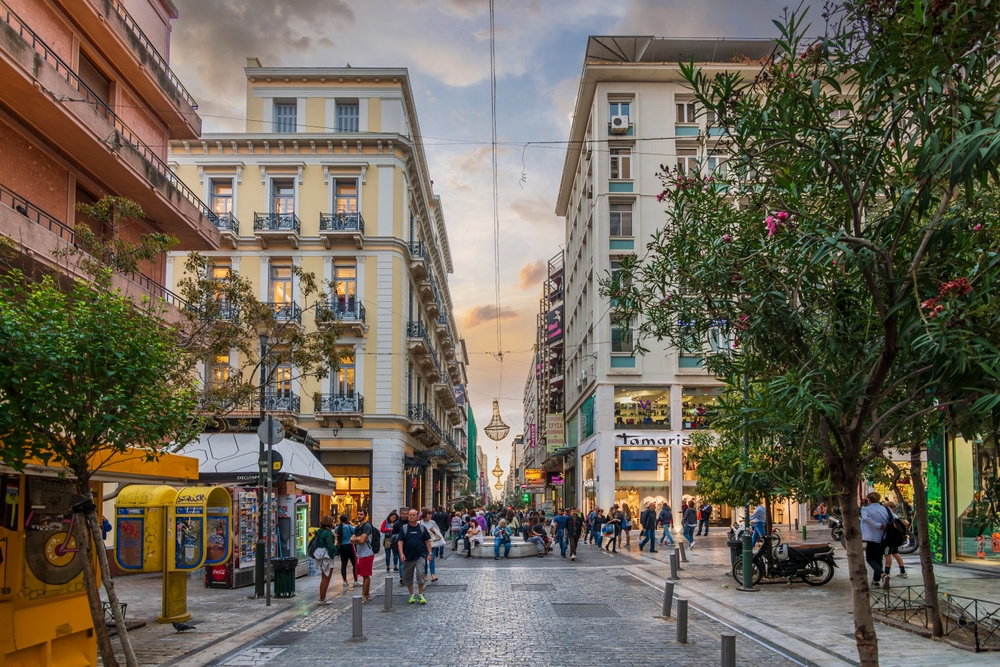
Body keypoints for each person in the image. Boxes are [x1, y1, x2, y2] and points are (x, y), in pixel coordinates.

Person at [396, 509, 432, 604]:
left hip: (420, 555)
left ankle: (420, 594)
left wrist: (430, 553)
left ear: (417, 517)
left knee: (420, 574)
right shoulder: (404, 529)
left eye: (413, 515)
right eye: (410, 515)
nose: (411, 516)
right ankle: (412, 594)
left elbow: (427, 541)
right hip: (408, 556)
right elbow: (400, 541)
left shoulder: (422, 528)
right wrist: (401, 553)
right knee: (407, 576)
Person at [861, 492, 892, 588]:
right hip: (884, 538)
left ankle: (882, 575)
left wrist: (877, 525)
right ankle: (875, 580)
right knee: (878, 559)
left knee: (870, 558)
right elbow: (895, 518)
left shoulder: (865, 509)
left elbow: (865, 518)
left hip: (872, 538)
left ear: (869, 500)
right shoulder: (886, 509)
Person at [351, 510, 375, 603]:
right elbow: (353, 540)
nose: (359, 516)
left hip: (367, 553)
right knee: (363, 574)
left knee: (365, 575)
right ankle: (367, 594)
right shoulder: (358, 527)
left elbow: (362, 540)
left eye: (361, 514)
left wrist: (356, 540)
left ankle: (364, 595)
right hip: (360, 554)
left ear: (365, 515)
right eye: (358, 514)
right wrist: (357, 539)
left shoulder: (367, 526)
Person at [314, 514, 339, 605]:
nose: (335, 523)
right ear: (330, 522)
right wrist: (336, 542)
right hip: (327, 557)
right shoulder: (328, 533)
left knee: (324, 577)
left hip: (321, 555)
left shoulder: (321, 531)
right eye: (333, 521)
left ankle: (323, 597)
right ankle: (322, 598)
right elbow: (331, 548)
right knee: (326, 578)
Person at [882, 501, 907, 580]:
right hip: (895, 539)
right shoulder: (895, 516)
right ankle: (902, 571)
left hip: (889, 540)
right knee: (896, 554)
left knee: (887, 555)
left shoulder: (889, 516)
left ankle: (887, 572)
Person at [419, 509, 444, 581]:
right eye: (429, 514)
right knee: (425, 559)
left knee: (431, 558)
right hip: (423, 544)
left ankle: (433, 575)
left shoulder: (433, 522)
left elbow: (438, 531)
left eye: (431, 514)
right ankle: (425, 574)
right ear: (425, 514)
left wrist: (433, 531)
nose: (431, 515)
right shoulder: (420, 523)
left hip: (432, 543)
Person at [336, 514, 359, 587]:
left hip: (341, 547)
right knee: (354, 563)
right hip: (349, 546)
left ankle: (345, 581)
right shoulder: (349, 527)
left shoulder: (337, 528)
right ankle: (355, 580)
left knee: (343, 564)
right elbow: (356, 531)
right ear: (347, 520)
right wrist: (351, 524)